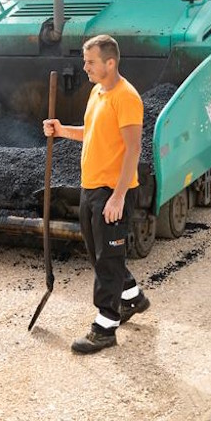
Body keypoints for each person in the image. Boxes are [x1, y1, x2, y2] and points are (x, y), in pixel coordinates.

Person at [42, 34, 150, 354]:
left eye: (90, 62)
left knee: (108, 257)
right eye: (85, 61)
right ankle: (132, 297)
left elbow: (133, 149)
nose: (84, 67)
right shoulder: (97, 93)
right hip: (90, 187)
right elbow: (92, 134)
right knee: (98, 254)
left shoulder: (126, 97)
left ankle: (105, 327)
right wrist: (61, 130)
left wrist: (117, 197)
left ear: (110, 62)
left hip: (111, 192)